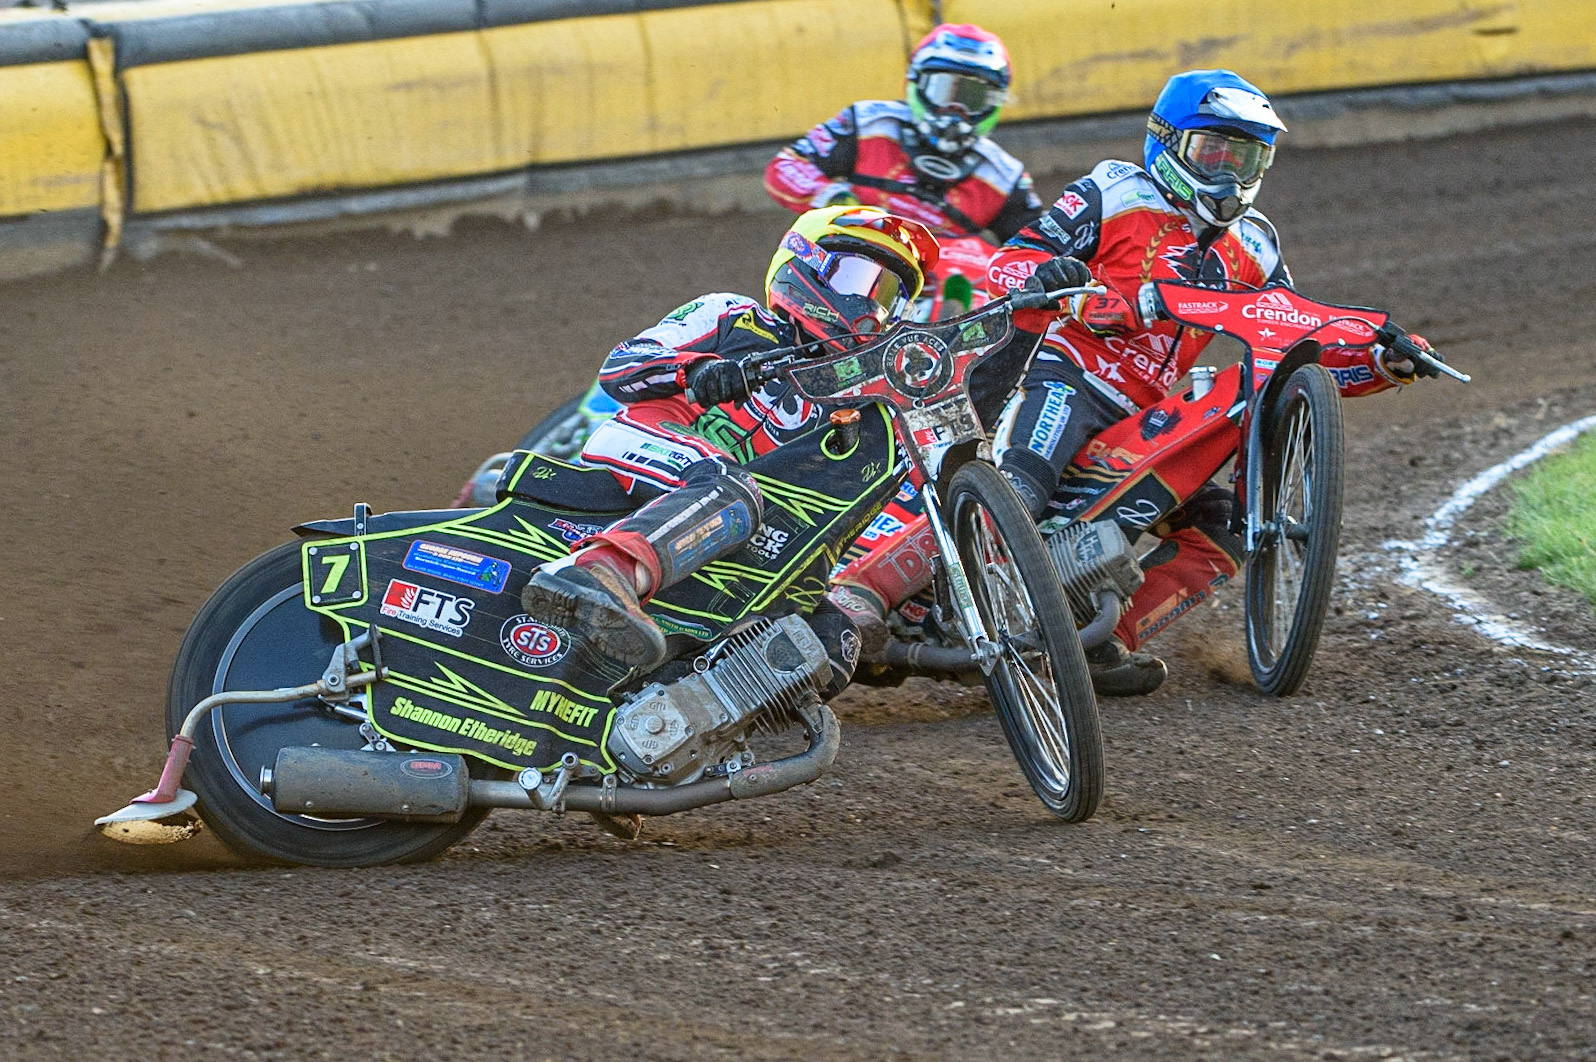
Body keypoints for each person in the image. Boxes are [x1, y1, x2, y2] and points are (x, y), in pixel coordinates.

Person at [979, 68, 1442, 695]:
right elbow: (1010, 262)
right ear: (1168, 141)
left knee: (1226, 528)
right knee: (1022, 486)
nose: (1228, 172)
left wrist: (1381, 365)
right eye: (1213, 151)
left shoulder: (1255, 244)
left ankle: (1102, 643)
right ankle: (932, 594)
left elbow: (1291, 349)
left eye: (1245, 155)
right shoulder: (1113, 192)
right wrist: (1078, 294)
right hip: (1070, 374)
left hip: (1151, 417)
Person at [520, 206, 945, 676]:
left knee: (831, 640)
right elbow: (621, 365)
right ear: (805, 266)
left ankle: (675, 706)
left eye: (887, 295)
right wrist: (696, 370)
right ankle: (599, 572)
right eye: (860, 280)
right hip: (649, 444)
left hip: (731, 516)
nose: (870, 306)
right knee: (731, 487)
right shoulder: (731, 316)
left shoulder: (858, 397)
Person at [764, 23, 1044, 242]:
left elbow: (1038, 249)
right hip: (847, 262)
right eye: (943, 91)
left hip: (943, 298)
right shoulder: (868, 124)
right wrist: (839, 201)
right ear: (916, 83)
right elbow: (785, 167)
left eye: (972, 98)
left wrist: (980, 255)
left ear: (994, 103)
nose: (954, 110)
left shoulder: (1005, 177)